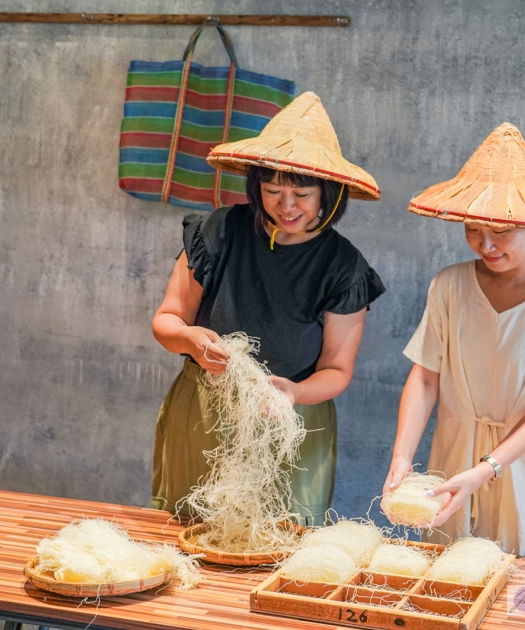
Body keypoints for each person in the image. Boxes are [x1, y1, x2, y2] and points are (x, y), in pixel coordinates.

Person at [149, 92, 385, 524]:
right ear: (255, 187)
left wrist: (293, 392)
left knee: (282, 541)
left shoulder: (344, 267)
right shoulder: (219, 230)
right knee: (193, 533)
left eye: (302, 193)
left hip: (293, 419)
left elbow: (336, 369)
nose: (286, 205)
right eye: (272, 190)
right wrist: (189, 338)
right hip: (207, 411)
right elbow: (167, 321)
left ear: (330, 196)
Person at [383, 123, 525, 561]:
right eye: (472, 228)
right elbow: (426, 378)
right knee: (448, 583)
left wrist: (486, 470)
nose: (484, 244)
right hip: (453, 458)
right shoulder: (449, 285)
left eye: (500, 230)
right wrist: (402, 458)